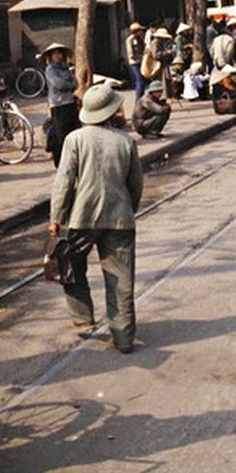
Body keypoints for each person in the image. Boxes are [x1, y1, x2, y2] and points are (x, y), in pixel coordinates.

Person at [48, 85, 144, 353]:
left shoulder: (75, 140)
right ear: (112, 111)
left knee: (69, 262)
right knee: (121, 279)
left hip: (83, 217)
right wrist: (128, 210)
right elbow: (135, 184)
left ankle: (81, 315)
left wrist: (56, 217)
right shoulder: (126, 141)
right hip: (120, 218)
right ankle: (124, 337)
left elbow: (64, 182)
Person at [42, 43, 79, 168]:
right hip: (58, 105)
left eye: (59, 53)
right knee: (61, 134)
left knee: (73, 132)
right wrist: (70, 85)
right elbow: (59, 84)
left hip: (70, 102)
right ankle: (62, 162)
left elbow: (75, 82)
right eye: (54, 54)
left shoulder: (66, 68)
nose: (57, 56)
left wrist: (71, 84)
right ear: (50, 57)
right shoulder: (50, 70)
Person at [125, 22, 146, 100]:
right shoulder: (130, 40)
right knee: (139, 80)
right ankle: (138, 98)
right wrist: (140, 56)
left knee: (143, 81)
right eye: (139, 30)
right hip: (135, 62)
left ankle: (142, 97)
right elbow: (131, 54)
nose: (141, 32)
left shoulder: (140, 39)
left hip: (141, 61)